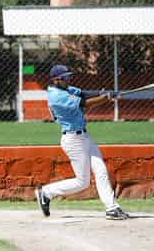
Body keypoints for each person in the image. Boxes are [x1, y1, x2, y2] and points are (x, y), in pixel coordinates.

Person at [35, 64, 130, 220]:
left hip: (84, 137)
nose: (69, 80)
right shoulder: (56, 96)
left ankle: (112, 208)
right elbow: (84, 103)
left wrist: (105, 93)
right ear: (56, 80)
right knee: (82, 182)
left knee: (100, 170)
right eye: (65, 78)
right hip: (72, 140)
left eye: (69, 77)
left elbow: (83, 94)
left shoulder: (65, 89)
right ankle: (46, 192)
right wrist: (106, 98)